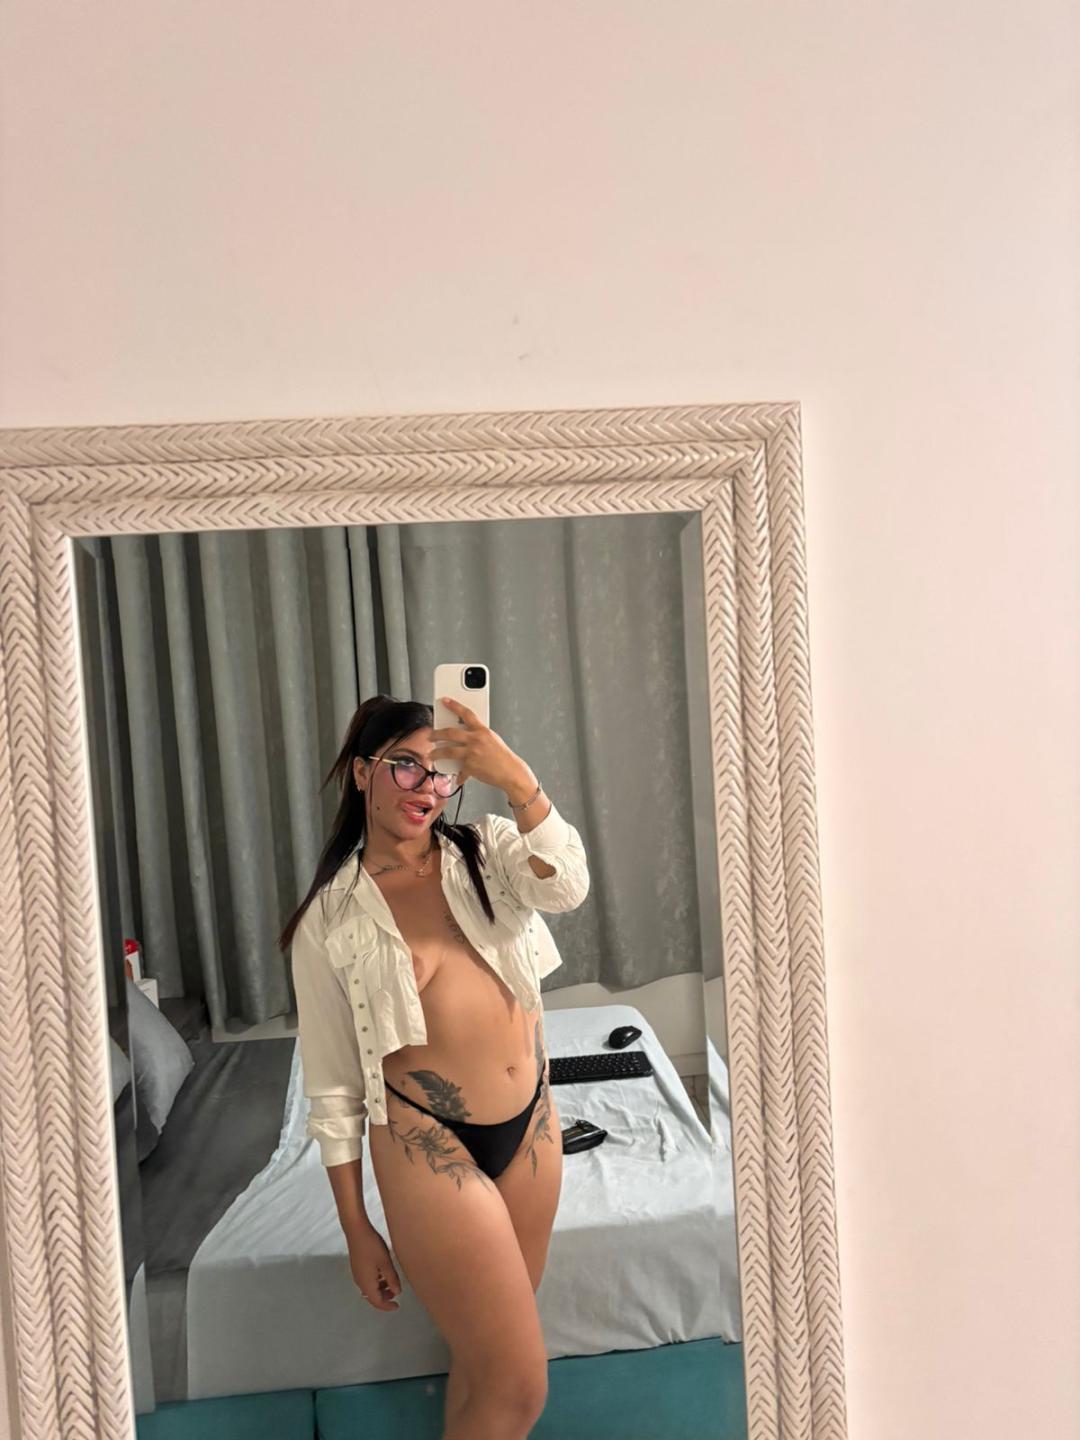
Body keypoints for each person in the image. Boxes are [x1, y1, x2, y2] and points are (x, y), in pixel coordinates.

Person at [278, 693, 589, 1440]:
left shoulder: (489, 849)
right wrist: (357, 1228)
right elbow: (333, 1087)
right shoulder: (331, 916)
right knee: (519, 1387)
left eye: (442, 771)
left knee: (484, 1369)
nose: (426, 787)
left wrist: (515, 778)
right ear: (362, 772)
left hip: (532, 1126)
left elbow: (567, 885)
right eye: (405, 766)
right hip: (428, 1143)